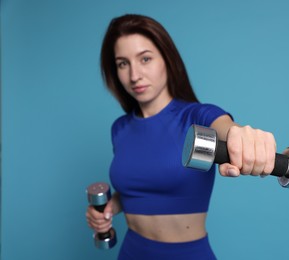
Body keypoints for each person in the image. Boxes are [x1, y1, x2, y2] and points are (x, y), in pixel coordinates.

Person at [86, 14, 276, 259]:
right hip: (131, 252)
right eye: (123, 63)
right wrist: (111, 207)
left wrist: (241, 135)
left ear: (167, 59)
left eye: (145, 59)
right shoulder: (119, 129)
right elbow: (137, 190)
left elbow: (227, 127)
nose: (134, 75)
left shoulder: (198, 117)